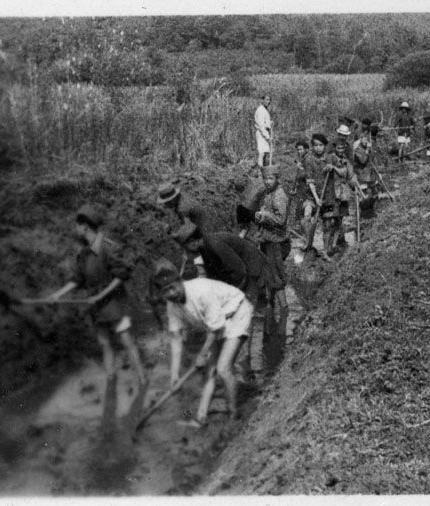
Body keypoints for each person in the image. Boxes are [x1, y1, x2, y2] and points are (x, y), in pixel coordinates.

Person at [46, 204, 146, 386]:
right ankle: (110, 380)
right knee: (104, 343)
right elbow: (78, 279)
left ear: (84, 226)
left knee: (126, 341)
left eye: (77, 226)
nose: (76, 230)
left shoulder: (108, 247)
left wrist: (101, 296)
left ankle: (142, 379)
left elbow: (120, 276)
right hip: (97, 306)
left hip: (115, 303)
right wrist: (57, 294)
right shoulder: (83, 254)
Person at [150, 259, 254, 427]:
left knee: (222, 368)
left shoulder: (200, 290)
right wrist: (174, 375)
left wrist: (201, 354)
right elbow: (176, 339)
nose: (171, 293)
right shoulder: (172, 306)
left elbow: (215, 329)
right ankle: (200, 418)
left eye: (172, 287)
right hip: (217, 322)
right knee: (209, 371)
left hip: (237, 312)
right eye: (165, 291)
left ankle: (233, 415)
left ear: (180, 281)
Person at [253, 165, 290, 317]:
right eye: (265, 178)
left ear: (277, 179)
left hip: (276, 241)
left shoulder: (279, 196)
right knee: (269, 273)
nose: (267, 182)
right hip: (268, 239)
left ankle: (284, 309)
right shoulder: (269, 193)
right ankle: (272, 305)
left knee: (275, 274)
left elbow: (281, 220)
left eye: (270, 178)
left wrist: (265, 215)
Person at [324, 140, 361, 256]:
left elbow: (348, 174)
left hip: (342, 194)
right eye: (339, 148)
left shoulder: (346, 161)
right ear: (335, 148)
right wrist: (327, 168)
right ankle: (327, 247)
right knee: (329, 221)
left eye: (343, 149)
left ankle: (335, 244)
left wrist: (355, 186)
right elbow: (323, 169)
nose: (341, 151)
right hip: (331, 193)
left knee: (340, 220)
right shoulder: (329, 157)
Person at [301, 134, 329, 256]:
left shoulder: (328, 158)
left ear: (324, 146)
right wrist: (317, 199)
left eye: (321, 145)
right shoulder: (309, 159)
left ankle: (328, 249)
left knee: (329, 223)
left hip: (326, 195)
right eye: (316, 145)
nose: (318, 148)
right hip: (311, 196)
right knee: (307, 216)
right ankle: (308, 243)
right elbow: (310, 182)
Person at [254, 95, 273, 168]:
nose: (269, 102)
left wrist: (269, 123)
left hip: (265, 132)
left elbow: (264, 122)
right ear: (262, 100)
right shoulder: (260, 110)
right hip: (261, 133)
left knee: (265, 152)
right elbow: (261, 126)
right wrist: (267, 137)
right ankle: (260, 171)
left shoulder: (265, 110)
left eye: (269, 100)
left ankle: (264, 170)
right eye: (267, 99)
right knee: (261, 153)